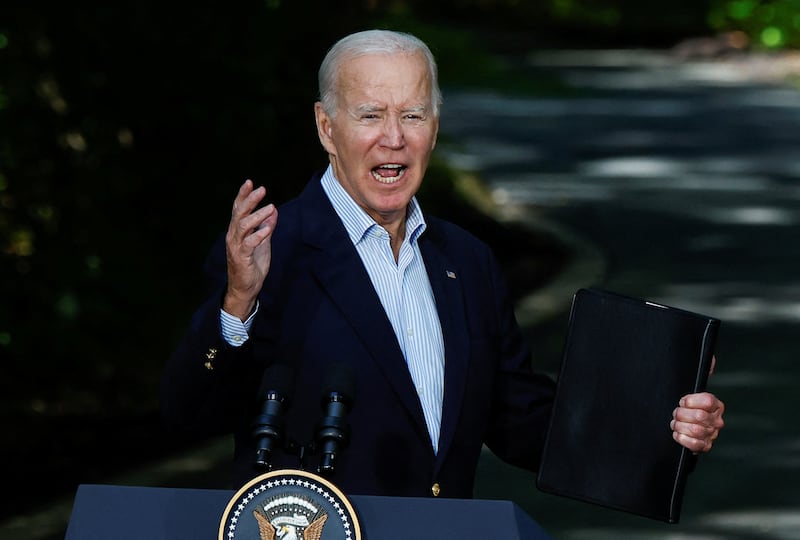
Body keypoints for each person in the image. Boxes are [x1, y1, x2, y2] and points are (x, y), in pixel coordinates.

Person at [161, 29, 725, 499]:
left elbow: (523, 422)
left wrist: (662, 423)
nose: (393, 138)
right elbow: (190, 415)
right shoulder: (269, 251)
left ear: (435, 128)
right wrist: (237, 305)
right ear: (326, 128)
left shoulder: (467, 260)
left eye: (413, 114)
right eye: (370, 115)